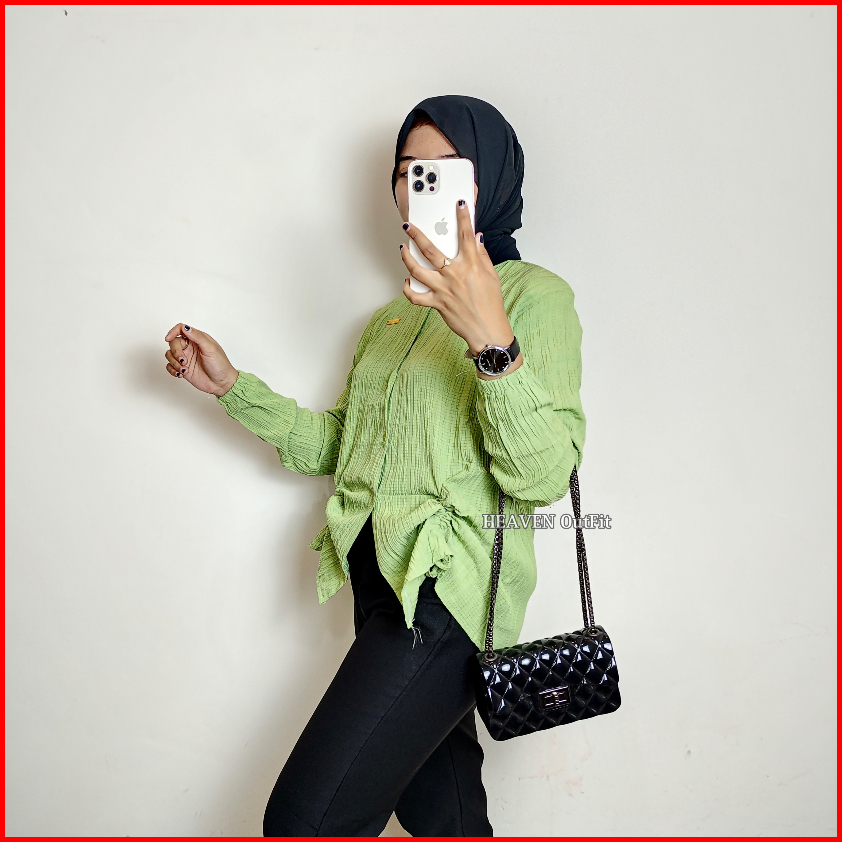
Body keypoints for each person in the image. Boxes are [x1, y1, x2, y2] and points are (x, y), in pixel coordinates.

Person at [163, 95, 586, 837]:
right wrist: (231, 387)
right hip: (379, 591)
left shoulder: (534, 297)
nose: (422, 184)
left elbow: (542, 476)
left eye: (445, 168)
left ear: (489, 176)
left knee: (304, 820)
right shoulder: (389, 322)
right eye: (408, 171)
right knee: (445, 818)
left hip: (447, 600)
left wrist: (491, 341)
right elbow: (341, 449)